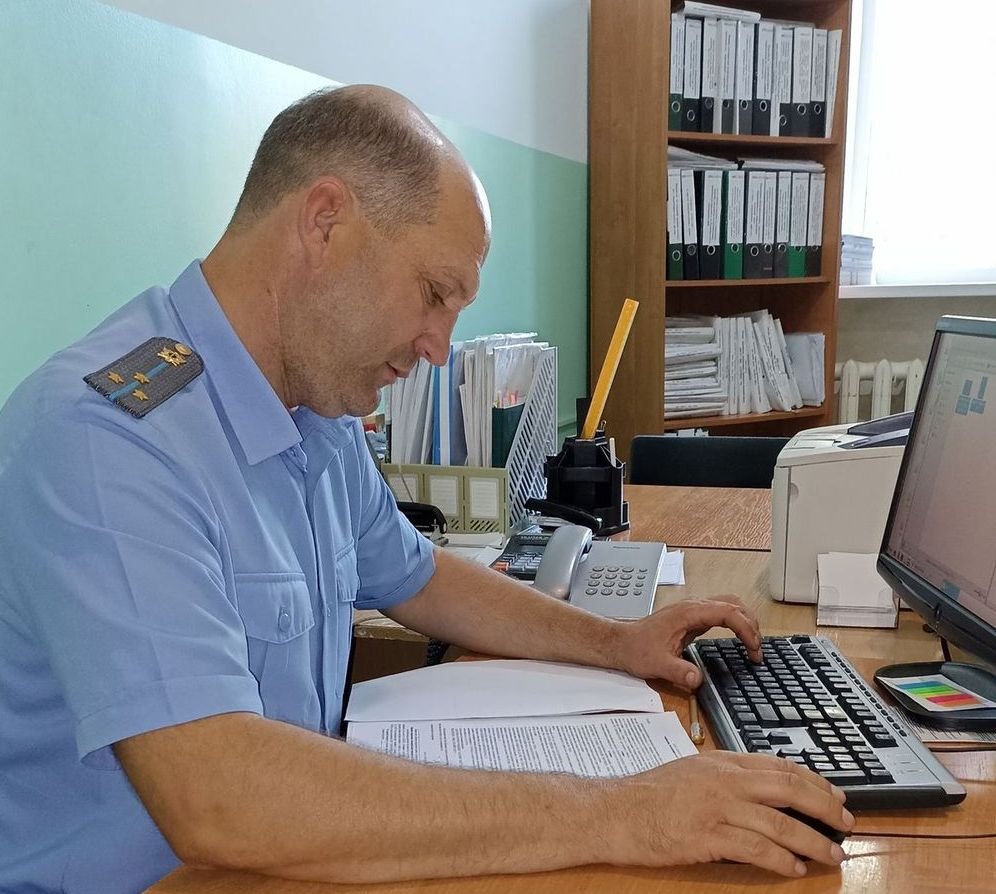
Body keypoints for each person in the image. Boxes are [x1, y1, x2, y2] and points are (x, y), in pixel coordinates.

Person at [0, 85, 852, 893]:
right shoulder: (110, 438)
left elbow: (416, 575)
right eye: (434, 294)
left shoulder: (314, 406)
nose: (440, 346)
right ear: (325, 222)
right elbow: (218, 794)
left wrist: (614, 644)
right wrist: (625, 812)